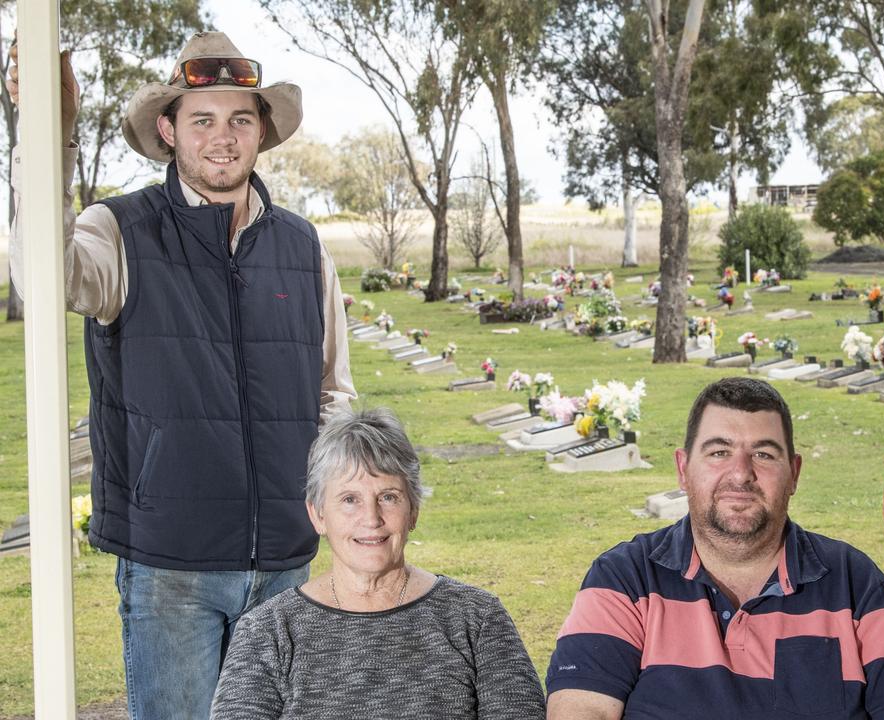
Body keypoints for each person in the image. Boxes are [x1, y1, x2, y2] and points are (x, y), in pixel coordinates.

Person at [8, 31, 356, 719]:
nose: (221, 138)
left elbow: (334, 395)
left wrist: (331, 513)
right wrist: (51, 133)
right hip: (170, 567)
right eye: (202, 119)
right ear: (168, 130)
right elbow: (39, 278)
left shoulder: (301, 244)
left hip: (287, 563)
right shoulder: (119, 230)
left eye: (239, 120)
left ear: (261, 133)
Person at [546, 377, 884, 720]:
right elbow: (583, 710)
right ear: (683, 470)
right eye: (719, 452)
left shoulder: (856, 584)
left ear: (794, 474)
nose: (740, 473)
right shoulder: (623, 579)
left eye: (763, 454)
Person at [209, 408, 545, 720]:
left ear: (413, 510)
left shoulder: (478, 618)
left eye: (388, 497)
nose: (371, 519)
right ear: (318, 515)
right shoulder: (268, 632)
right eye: (349, 499)